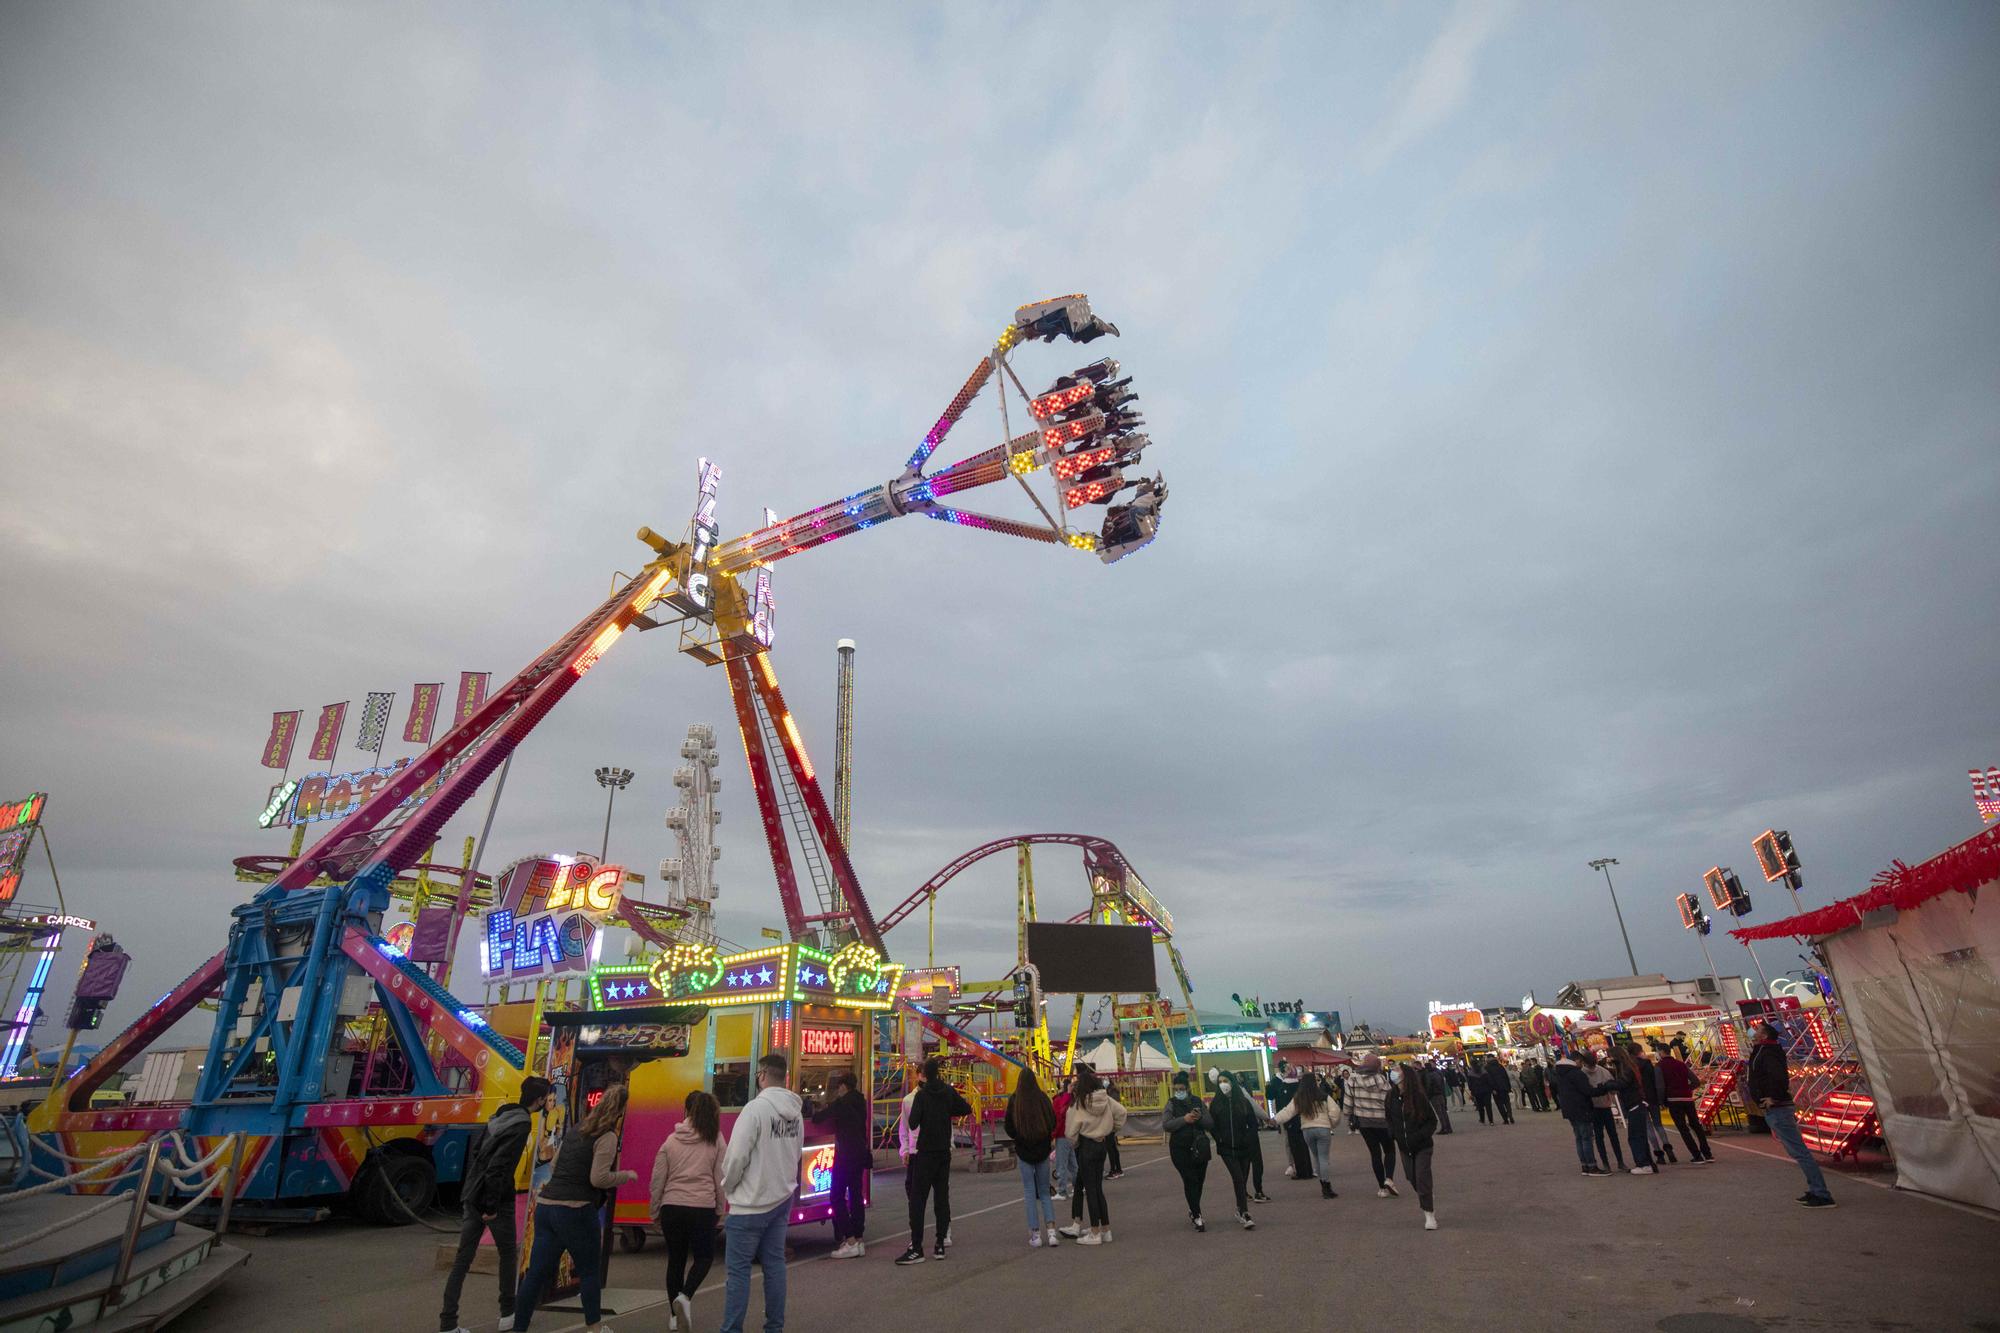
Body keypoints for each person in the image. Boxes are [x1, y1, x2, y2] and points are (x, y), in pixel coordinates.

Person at [512, 1083, 638, 1333]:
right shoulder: (607, 1136)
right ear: (621, 1110)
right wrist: (625, 1176)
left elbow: (555, 1166)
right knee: (589, 1272)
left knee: (536, 1274)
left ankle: (519, 1329)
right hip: (576, 1210)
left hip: (547, 1207)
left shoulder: (576, 1129)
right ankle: (594, 1328)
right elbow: (598, 1179)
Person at [441, 1075, 551, 1333]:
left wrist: (475, 1194)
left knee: (462, 1260)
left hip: (472, 1193)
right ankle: (508, 1312)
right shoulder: (523, 1123)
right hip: (496, 1199)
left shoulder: (500, 1114)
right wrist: (491, 1206)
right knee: (508, 1254)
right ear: (539, 1100)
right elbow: (499, 1168)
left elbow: (479, 1155)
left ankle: (448, 1323)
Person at [719, 1053, 804, 1333]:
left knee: (739, 1273)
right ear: (785, 1077)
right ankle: (774, 1328)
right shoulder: (796, 1113)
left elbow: (735, 1159)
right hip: (781, 1199)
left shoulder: (754, 1110)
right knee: (775, 1266)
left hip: (749, 1205)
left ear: (762, 1075)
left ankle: (732, 1329)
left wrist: (728, 1188)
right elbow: (796, 1154)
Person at [652, 1089, 727, 1332]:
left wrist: (655, 1211)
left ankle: (674, 1317)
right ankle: (685, 1296)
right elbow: (720, 1178)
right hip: (702, 1208)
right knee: (704, 1258)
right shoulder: (716, 1139)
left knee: (676, 1260)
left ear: (686, 1111)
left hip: (672, 1207)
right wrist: (719, 1208)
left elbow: (658, 1179)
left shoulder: (671, 1140)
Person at [1749, 1021, 1835, 1208]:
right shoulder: (1763, 1051)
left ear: (1765, 1036)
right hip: (1775, 1106)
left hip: (1778, 1106)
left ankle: (1822, 1193)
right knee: (1796, 1151)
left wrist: (1774, 1097)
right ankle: (1815, 1189)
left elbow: (1778, 1076)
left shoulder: (1769, 1053)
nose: (1753, 1033)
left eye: (1757, 1031)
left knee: (1800, 1152)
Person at [896, 1057, 972, 1264]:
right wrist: (947, 1112)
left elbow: (912, 1124)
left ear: (924, 1075)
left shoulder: (921, 1095)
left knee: (918, 1199)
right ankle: (940, 1244)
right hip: (943, 1151)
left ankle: (917, 1247)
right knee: (941, 1198)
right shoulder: (947, 1092)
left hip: (925, 1152)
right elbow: (965, 1108)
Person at [1058, 1064, 1127, 1244]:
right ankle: (1105, 1229)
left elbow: (1070, 1132)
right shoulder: (1105, 1099)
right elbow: (1122, 1113)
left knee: (1090, 1190)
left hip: (1086, 1146)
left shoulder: (1078, 1104)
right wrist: (1111, 1129)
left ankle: (1095, 1233)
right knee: (1097, 1188)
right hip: (1101, 1144)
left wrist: (1076, 1143)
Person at [806, 1070, 871, 1257]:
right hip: (860, 1152)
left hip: (845, 1155)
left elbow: (819, 1118)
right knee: (856, 1196)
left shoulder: (842, 1103)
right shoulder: (861, 1101)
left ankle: (849, 1239)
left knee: (836, 1196)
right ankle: (858, 1239)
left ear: (843, 1086)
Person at [1004, 1068, 1060, 1248]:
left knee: (1029, 1192)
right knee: (1044, 1192)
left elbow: (1008, 1126)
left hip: (1024, 1150)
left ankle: (1035, 1234)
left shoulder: (1015, 1100)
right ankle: (1051, 1232)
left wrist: (1018, 1137)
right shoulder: (1042, 1098)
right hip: (1042, 1149)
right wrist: (1045, 1136)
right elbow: (1052, 1120)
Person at [1384, 1061, 1439, 1230]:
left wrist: (1421, 1136)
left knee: (1421, 1176)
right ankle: (1427, 1195)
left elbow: (1432, 1120)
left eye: (1396, 1069)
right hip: (1404, 1146)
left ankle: (1429, 1214)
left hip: (1422, 1145)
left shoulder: (1418, 1096)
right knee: (1412, 1177)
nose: (1393, 1072)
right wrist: (1393, 1134)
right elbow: (1389, 1118)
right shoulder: (1390, 1096)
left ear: (1405, 1074)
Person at [1272, 1063, 1339, 1198]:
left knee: (1317, 1158)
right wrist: (1331, 1124)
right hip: (1323, 1129)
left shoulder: (1299, 1098)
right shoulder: (1323, 1096)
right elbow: (1335, 1111)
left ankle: (1323, 1184)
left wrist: (1275, 1120)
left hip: (1307, 1130)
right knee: (1323, 1158)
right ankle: (1326, 1186)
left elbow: (1288, 1111)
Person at [1206, 1068, 1261, 1228]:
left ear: (1232, 1083)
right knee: (1237, 1178)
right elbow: (1212, 1126)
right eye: (1220, 1082)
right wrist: (1219, 1139)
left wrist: (1248, 1138)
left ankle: (1239, 1208)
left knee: (1242, 1179)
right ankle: (1245, 1213)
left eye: (1226, 1081)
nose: (1223, 1084)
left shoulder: (1242, 1102)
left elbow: (1252, 1123)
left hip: (1244, 1147)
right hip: (1226, 1149)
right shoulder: (1216, 1103)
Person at [1164, 1070, 1213, 1231]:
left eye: (1181, 1089)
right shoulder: (1171, 1104)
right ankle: (1197, 1215)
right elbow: (1166, 1124)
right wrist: (1183, 1120)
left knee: (1199, 1181)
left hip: (1199, 1148)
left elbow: (1209, 1123)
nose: (1179, 1092)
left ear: (1188, 1088)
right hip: (1180, 1149)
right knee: (1190, 1179)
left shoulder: (1197, 1102)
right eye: (1176, 1089)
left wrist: (1199, 1118)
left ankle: (1193, 1209)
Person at [1550, 1048, 1610, 1177]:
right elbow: (1588, 1091)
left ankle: (1585, 1165)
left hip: (1570, 1110)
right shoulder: (1576, 1073)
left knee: (1579, 1138)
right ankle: (1592, 1166)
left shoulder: (1561, 1073)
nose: (1582, 1065)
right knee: (1587, 1137)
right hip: (1582, 1108)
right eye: (1581, 1062)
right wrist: (1602, 1089)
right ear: (1577, 1061)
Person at [1345, 1053, 1399, 1198]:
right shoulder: (1381, 1079)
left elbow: (1348, 1102)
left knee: (1375, 1154)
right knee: (1389, 1151)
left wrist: (1349, 1116)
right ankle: (1389, 1178)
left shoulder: (1353, 1079)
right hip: (1383, 1122)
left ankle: (1382, 1188)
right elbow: (1390, 1101)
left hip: (1364, 1122)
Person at [1656, 1043, 1714, 1163]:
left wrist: (1661, 1101)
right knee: (1696, 1126)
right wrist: (1687, 1088)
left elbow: (1660, 1086)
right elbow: (1696, 1081)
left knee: (1683, 1129)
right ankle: (1707, 1154)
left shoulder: (1660, 1066)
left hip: (1673, 1100)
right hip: (1687, 1099)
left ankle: (1697, 1155)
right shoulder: (1681, 1064)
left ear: (1660, 1052)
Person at [1609, 1047, 1657, 1174]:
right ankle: (1648, 1163)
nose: (1609, 1059)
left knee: (1635, 1137)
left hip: (1634, 1104)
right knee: (1641, 1135)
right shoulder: (1631, 1065)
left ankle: (1643, 1164)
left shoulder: (1626, 1068)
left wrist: (1607, 1085)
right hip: (1639, 1103)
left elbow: (1623, 1083)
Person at [1269, 1060, 1314, 1181]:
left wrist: (1276, 1120)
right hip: (1304, 1119)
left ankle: (1300, 1171)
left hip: (1291, 1121)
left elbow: (1287, 1109)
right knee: (1304, 1145)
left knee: (1294, 1146)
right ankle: (1309, 1170)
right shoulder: (1300, 1086)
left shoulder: (1285, 1087)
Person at [1630, 1047, 1676, 1164]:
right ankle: (1668, 1147)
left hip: (1640, 1100)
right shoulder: (1650, 1066)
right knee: (1658, 1125)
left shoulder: (1631, 1068)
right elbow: (1658, 1084)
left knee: (1648, 1127)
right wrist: (1660, 1099)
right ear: (1640, 1052)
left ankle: (1658, 1153)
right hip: (1653, 1099)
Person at [1584, 1050, 1626, 1170]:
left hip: (1600, 1108)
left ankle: (1612, 1163)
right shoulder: (1602, 1072)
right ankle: (1616, 1162)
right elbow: (1614, 1089)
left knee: (1602, 1137)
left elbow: (1614, 1089)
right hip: (1600, 1108)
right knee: (1607, 1136)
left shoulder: (1597, 1072)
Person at [1050, 1073, 1077, 1200]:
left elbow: (1058, 1117)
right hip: (1072, 1134)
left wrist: (1053, 1134)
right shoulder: (1074, 1100)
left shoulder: (1059, 1100)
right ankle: (1079, 1187)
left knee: (1062, 1164)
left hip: (1062, 1134)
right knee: (1073, 1164)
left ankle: (1062, 1191)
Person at [1424, 1060, 1454, 1134]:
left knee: (1439, 1113)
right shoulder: (1437, 1073)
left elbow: (1429, 1086)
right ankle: (1448, 1127)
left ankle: (1444, 1128)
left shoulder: (1429, 1075)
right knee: (1443, 1112)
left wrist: (1428, 1095)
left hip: (1434, 1095)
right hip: (1440, 1094)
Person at [1486, 1056, 1515, 1125]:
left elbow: (1489, 1080)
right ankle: (1510, 1114)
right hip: (1504, 1087)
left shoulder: (1487, 1068)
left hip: (1496, 1089)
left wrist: (1492, 1089)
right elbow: (1506, 1077)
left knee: (1499, 1104)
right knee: (1507, 1102)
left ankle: (1505, 1119)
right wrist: (1508, 1087)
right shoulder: (1500, 1066)